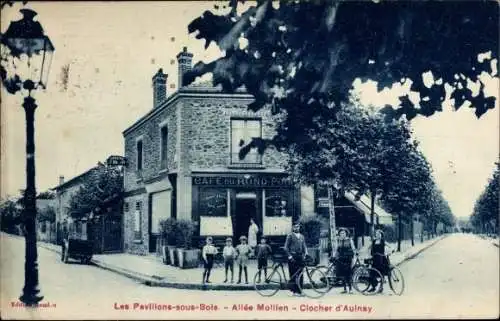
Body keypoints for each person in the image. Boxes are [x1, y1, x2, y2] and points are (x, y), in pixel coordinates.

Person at [284, 222, 308, 296]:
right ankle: (294, 291)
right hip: (292, 256)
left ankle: (300, 291)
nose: (296, 228)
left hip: (300, 257)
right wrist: (290, 256)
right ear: (292, 228)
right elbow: (286, 247)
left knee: (301, 274)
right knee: (293, 274)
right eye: (295, 227)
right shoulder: (290, 236)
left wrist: (305, 254)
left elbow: (304, 246)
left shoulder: (302, 236)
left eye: (298, 227)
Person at [333, 227, 357, 293]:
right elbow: (337, 250)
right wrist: (334, 256)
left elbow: (353, 249)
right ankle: (345, 289)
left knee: (348, 274)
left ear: (346, 233)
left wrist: (354, 257)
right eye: (341, 233)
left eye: (343, 233)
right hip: (341, 258)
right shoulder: (339, 240)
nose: (342, 234)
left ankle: (350, 289)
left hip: (348, 258)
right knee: (342, 274)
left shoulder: (350, 240)